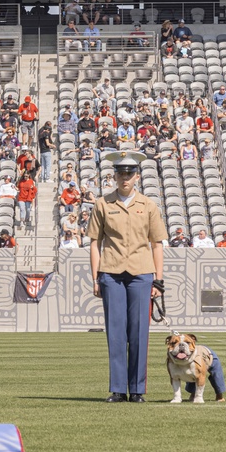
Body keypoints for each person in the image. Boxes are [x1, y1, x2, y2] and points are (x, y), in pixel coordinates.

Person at [87, 150, 167, 403]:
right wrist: (95, 277)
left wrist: (158, 280)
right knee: (116, 334)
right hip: (111, 273)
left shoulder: (149, 205)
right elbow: (94, 243)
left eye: (129, 173)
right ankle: (119, 389)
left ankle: (138, 390)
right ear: (114, 176)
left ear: (137, 177)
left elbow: (157, 243)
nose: (125, 178)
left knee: (139, 333)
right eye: (121, 173)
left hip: (141, 274)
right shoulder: (103, 204)